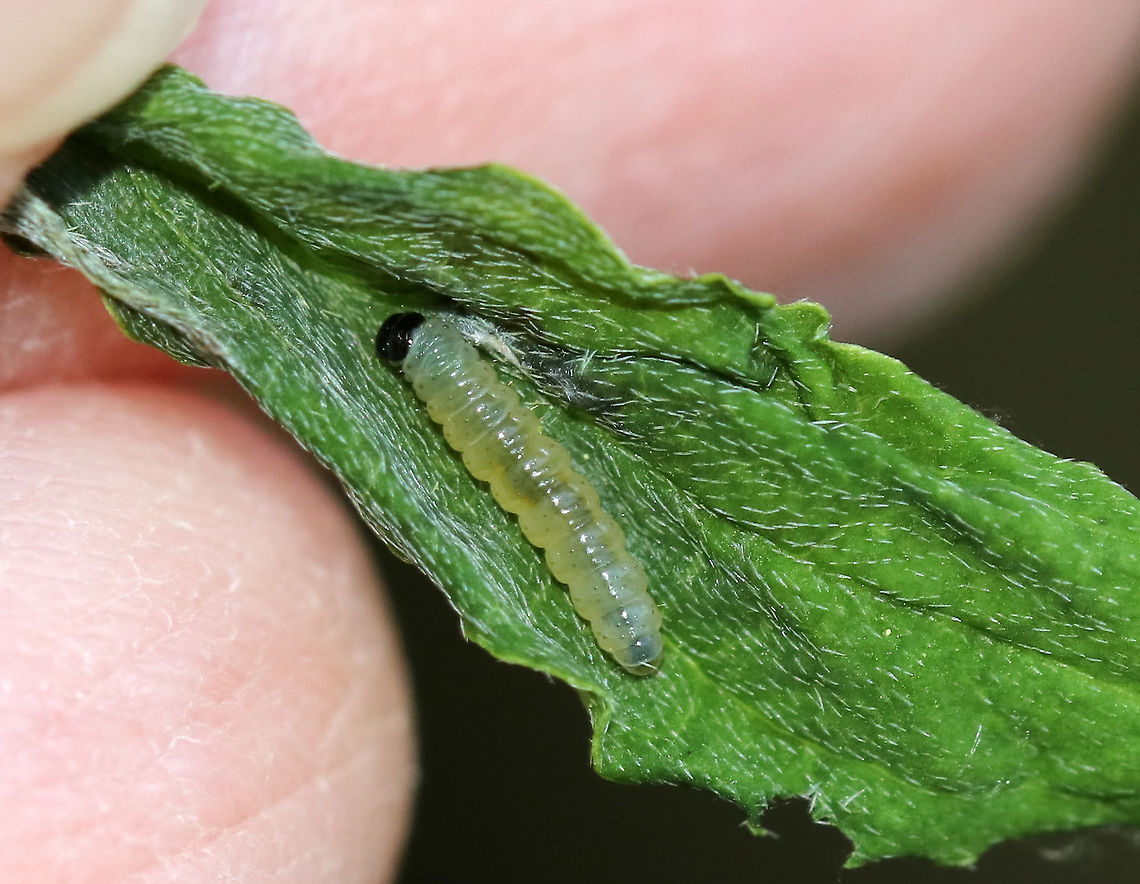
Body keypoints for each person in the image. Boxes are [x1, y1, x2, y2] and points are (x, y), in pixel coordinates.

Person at [1, 2, 1138, 880]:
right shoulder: (469, 389)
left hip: (584, 552)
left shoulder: (458, 384)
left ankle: (628, 625)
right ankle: (623, 622)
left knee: (545, 496)